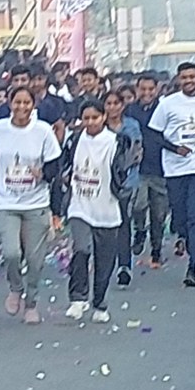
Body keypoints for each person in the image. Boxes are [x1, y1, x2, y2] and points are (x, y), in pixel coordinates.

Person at [0, 87, 62, 323]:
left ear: (33, 105)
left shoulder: (43, 131)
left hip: (36, 202)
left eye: (26, 102)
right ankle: (15, 287)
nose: (21, 107)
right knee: (11, 253)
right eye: (17, 102)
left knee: (34, 259)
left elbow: (55, 164)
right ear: (9, 104)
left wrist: (44, 174)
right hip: (6, 201)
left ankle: (31, 303)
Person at [57, 98, 131, 323]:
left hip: (107, 208)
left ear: (104, 117)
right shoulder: (75, 140)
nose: (90, 122)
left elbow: (123, 168)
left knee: (104, 260)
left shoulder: (116, 141)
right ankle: (77, 298)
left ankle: (100, 303)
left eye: (95, 118)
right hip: (79, 206)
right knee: (81, 249)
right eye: (86, 118)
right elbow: (65, 164)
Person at [149, 62, 195, 288]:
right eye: (184, 77)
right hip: (175, 170)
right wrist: (174, 149)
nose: (188, 81)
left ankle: (193, 267)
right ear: (178, 80)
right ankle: (184, 236)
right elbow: (154, 134)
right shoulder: (167, 104)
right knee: (180, 217)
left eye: (192, 77)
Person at [127, 73, 172, 268]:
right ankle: (139, 230)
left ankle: (156, 250)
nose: (146, 93)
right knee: (138, 205)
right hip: (138, 168)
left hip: (161, 167)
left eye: (150, 89)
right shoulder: (130, 110)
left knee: (159, 214)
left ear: (157, 89)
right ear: (137, 89)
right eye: (143, 89)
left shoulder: (164, 109)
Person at [104, 90, 144, 290]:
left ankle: (124, 265)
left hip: (126, 180)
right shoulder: (99, 126)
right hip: (101, 182)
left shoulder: (131, 126)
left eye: (116, 103)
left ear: (122, 105)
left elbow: (136, 151)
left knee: (123, 221)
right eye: (108, 103)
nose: (112, 107)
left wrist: (125, 168)